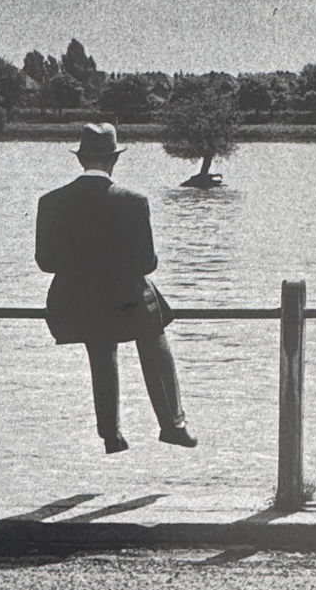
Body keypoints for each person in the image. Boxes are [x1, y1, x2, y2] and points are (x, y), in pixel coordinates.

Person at [36, 122, 196, 454]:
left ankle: (111, 433)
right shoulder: (133, 202)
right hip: (127, 304)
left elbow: (45, 262)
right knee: (153, 331)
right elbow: (146, 264)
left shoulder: (50, 202)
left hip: (73, 304)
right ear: (114, 160)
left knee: (100, 346)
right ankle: (172, 423)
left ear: (81, 160)